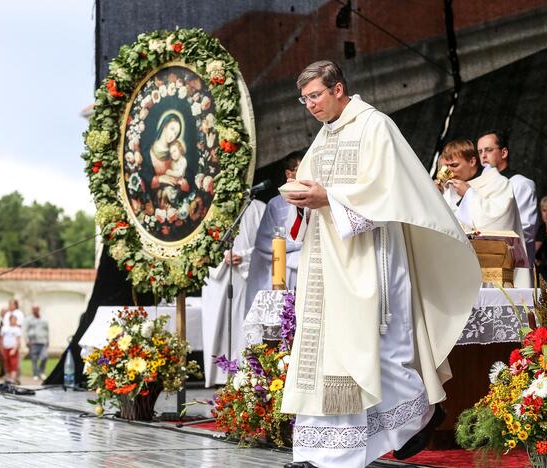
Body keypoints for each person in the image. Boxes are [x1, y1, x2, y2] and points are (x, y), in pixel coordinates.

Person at [281, 60, 481, 468]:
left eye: (315, 95)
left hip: (373, 255)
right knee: (328, 352)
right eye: (305, 99)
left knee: (376, 349)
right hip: (330, 263)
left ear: (338, 89)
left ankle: (411, 418)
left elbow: (391, 194)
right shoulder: (323, 137)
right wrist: (303, 197)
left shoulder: (376, 127)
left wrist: (328, 199)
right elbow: (313, 184)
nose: (310, 105)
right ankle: (320, 452)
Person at [437, 139, 528, 286]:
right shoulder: (450, 187)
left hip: (492, 269)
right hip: (456, 269)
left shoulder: (497, 183)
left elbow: (498, 221)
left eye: (454, 166)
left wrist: (469, 195)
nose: (449, 172)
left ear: (472, 161)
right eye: (445, 167)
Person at [200, 198, 266, 387]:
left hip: (247, 274)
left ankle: (245, 376)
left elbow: (271, 242)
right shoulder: (209, 206)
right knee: (218, 324)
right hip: (218, 278)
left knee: (243, 324)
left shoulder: (259, 208)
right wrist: (221, 257)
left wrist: (245, 257)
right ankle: (221, 377)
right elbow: (200, 245)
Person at [245, 151, 304, 310]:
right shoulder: (276, 205)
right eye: (302, 170)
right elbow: (265, 244)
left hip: (306, 270)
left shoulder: (315, 202)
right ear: (289, 174)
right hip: (280, 273)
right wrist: (301, 247)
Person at [476, 130, 538, 271]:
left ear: (503, 153)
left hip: (513, 264)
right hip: (482, 261)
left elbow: (526, 229)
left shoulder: (521, 184)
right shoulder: (478, 187)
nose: (483, 156)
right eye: (480, 152)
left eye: (488, 150)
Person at [25, 305, 49, 381]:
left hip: (43, 342)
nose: (35, 311)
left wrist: (48, 340)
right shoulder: (29, 320)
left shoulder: (43, 319)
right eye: (33, 309)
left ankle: (41, 372)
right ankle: (35, 374)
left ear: (39, 310)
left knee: (44, 357)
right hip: (33, 342)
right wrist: (26, 340)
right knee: (34, 359)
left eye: (36, 309)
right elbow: (25, 330)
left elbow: (47, 330)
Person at [0, 314, 22, 384]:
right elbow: (1, 339)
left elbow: (18, 340)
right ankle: (8, 378)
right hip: (5, 348)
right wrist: (1, 348)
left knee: (14, 364)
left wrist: (14, 349)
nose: (15, 321)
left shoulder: (17, 329)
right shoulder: (4, 328)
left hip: (13, 349)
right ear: (10, 320)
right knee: (7, 363)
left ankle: (13, 379)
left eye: (16, 320)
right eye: (13, 319)